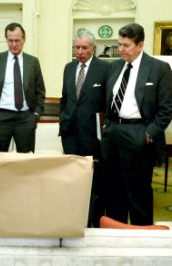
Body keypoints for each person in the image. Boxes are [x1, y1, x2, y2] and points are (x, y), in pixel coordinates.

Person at [101, 23, 172, 225]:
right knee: (113, 189)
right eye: (119, 44)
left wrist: (149, 133)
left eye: (126, 45)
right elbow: (106, 101)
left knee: (138, 192)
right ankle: (115, 233)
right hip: (113, 133)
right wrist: (106, 127)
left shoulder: (159, 68)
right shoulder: (114, 67)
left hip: (139, 133)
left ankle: (141, 238)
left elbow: (167, 108)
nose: (121, 50)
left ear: (140, 44)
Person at [59, 29, 110, 227]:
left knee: (94, 181)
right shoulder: (68, 67)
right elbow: (66, 98)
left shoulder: (105, 68)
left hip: (92, 135)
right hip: (70, 133)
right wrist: (63, 120)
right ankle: (73, 218)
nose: (79, 51)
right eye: (77, 47)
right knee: (72, 178)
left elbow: (107, 103)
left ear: (94, 48)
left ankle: (94, 221)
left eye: (84, 47)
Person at [0, 22, 46, 153]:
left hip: (26, 119)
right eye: (10, 40)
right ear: (6, 40)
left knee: (25, 162)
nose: (14, 44)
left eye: (17, 40)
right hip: (0, 119)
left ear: (24, 39)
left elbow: (40, 91)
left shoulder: (33, 62)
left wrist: (36, 115)